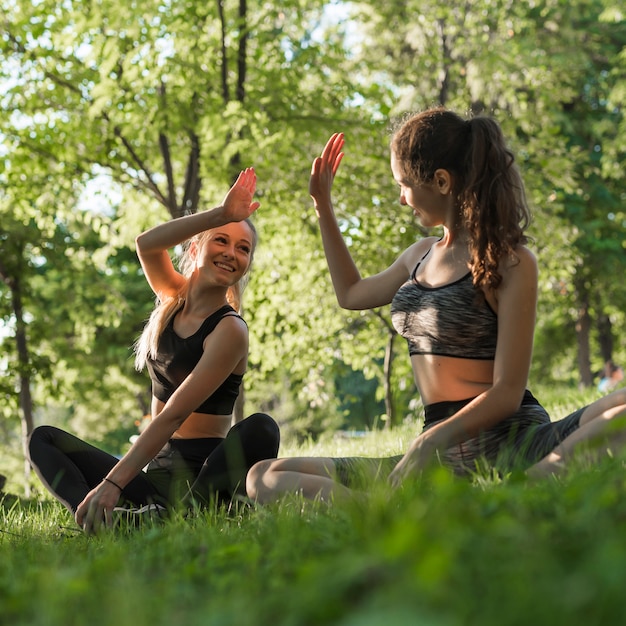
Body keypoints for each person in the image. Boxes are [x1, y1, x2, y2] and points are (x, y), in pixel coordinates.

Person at [246, 108, 626, 503]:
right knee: (262, 475)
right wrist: (323, 205)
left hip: (517, 443)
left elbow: (508, 391)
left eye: (404, 185)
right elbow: (352, 294)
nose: (400, 198)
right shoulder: (420, 255)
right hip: (439, 459)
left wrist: (427, 443)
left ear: (441, 182)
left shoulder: (510, 260)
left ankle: (517, 492)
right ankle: (385, 509)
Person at [28, 168, 280, 532]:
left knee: (261, 428)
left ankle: (172, 519)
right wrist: (220, 214)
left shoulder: (230, 330)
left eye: (243, 249)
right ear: (196, 248)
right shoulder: (172, 300)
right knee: (44, 439)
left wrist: (114, 483)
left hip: (205, 478)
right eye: (221, 241)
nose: (231, 253)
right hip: (157, 474)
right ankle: (96, 519)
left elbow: (173, 415)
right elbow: (146, 244)